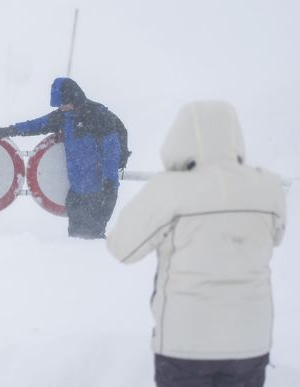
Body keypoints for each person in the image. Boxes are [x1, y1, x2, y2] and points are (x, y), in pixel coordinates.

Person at [106, 101, 286, 387]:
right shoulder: (268, 186)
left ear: (180, 140)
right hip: (250, 343)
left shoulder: (169, 190)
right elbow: (276, 237)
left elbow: (121, 247)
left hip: (185, 345)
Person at [0, 77, 130, 239]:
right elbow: (36, 125)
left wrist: (109, 183)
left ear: (74, 97)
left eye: (64, 103)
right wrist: (10, 130)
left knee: (92, 239)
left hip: (100, 192)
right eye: (59, 105)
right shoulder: (64, 117)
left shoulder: (99, 116)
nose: (62, 108)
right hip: (77, 192)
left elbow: (111, 152)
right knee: (75, 239)